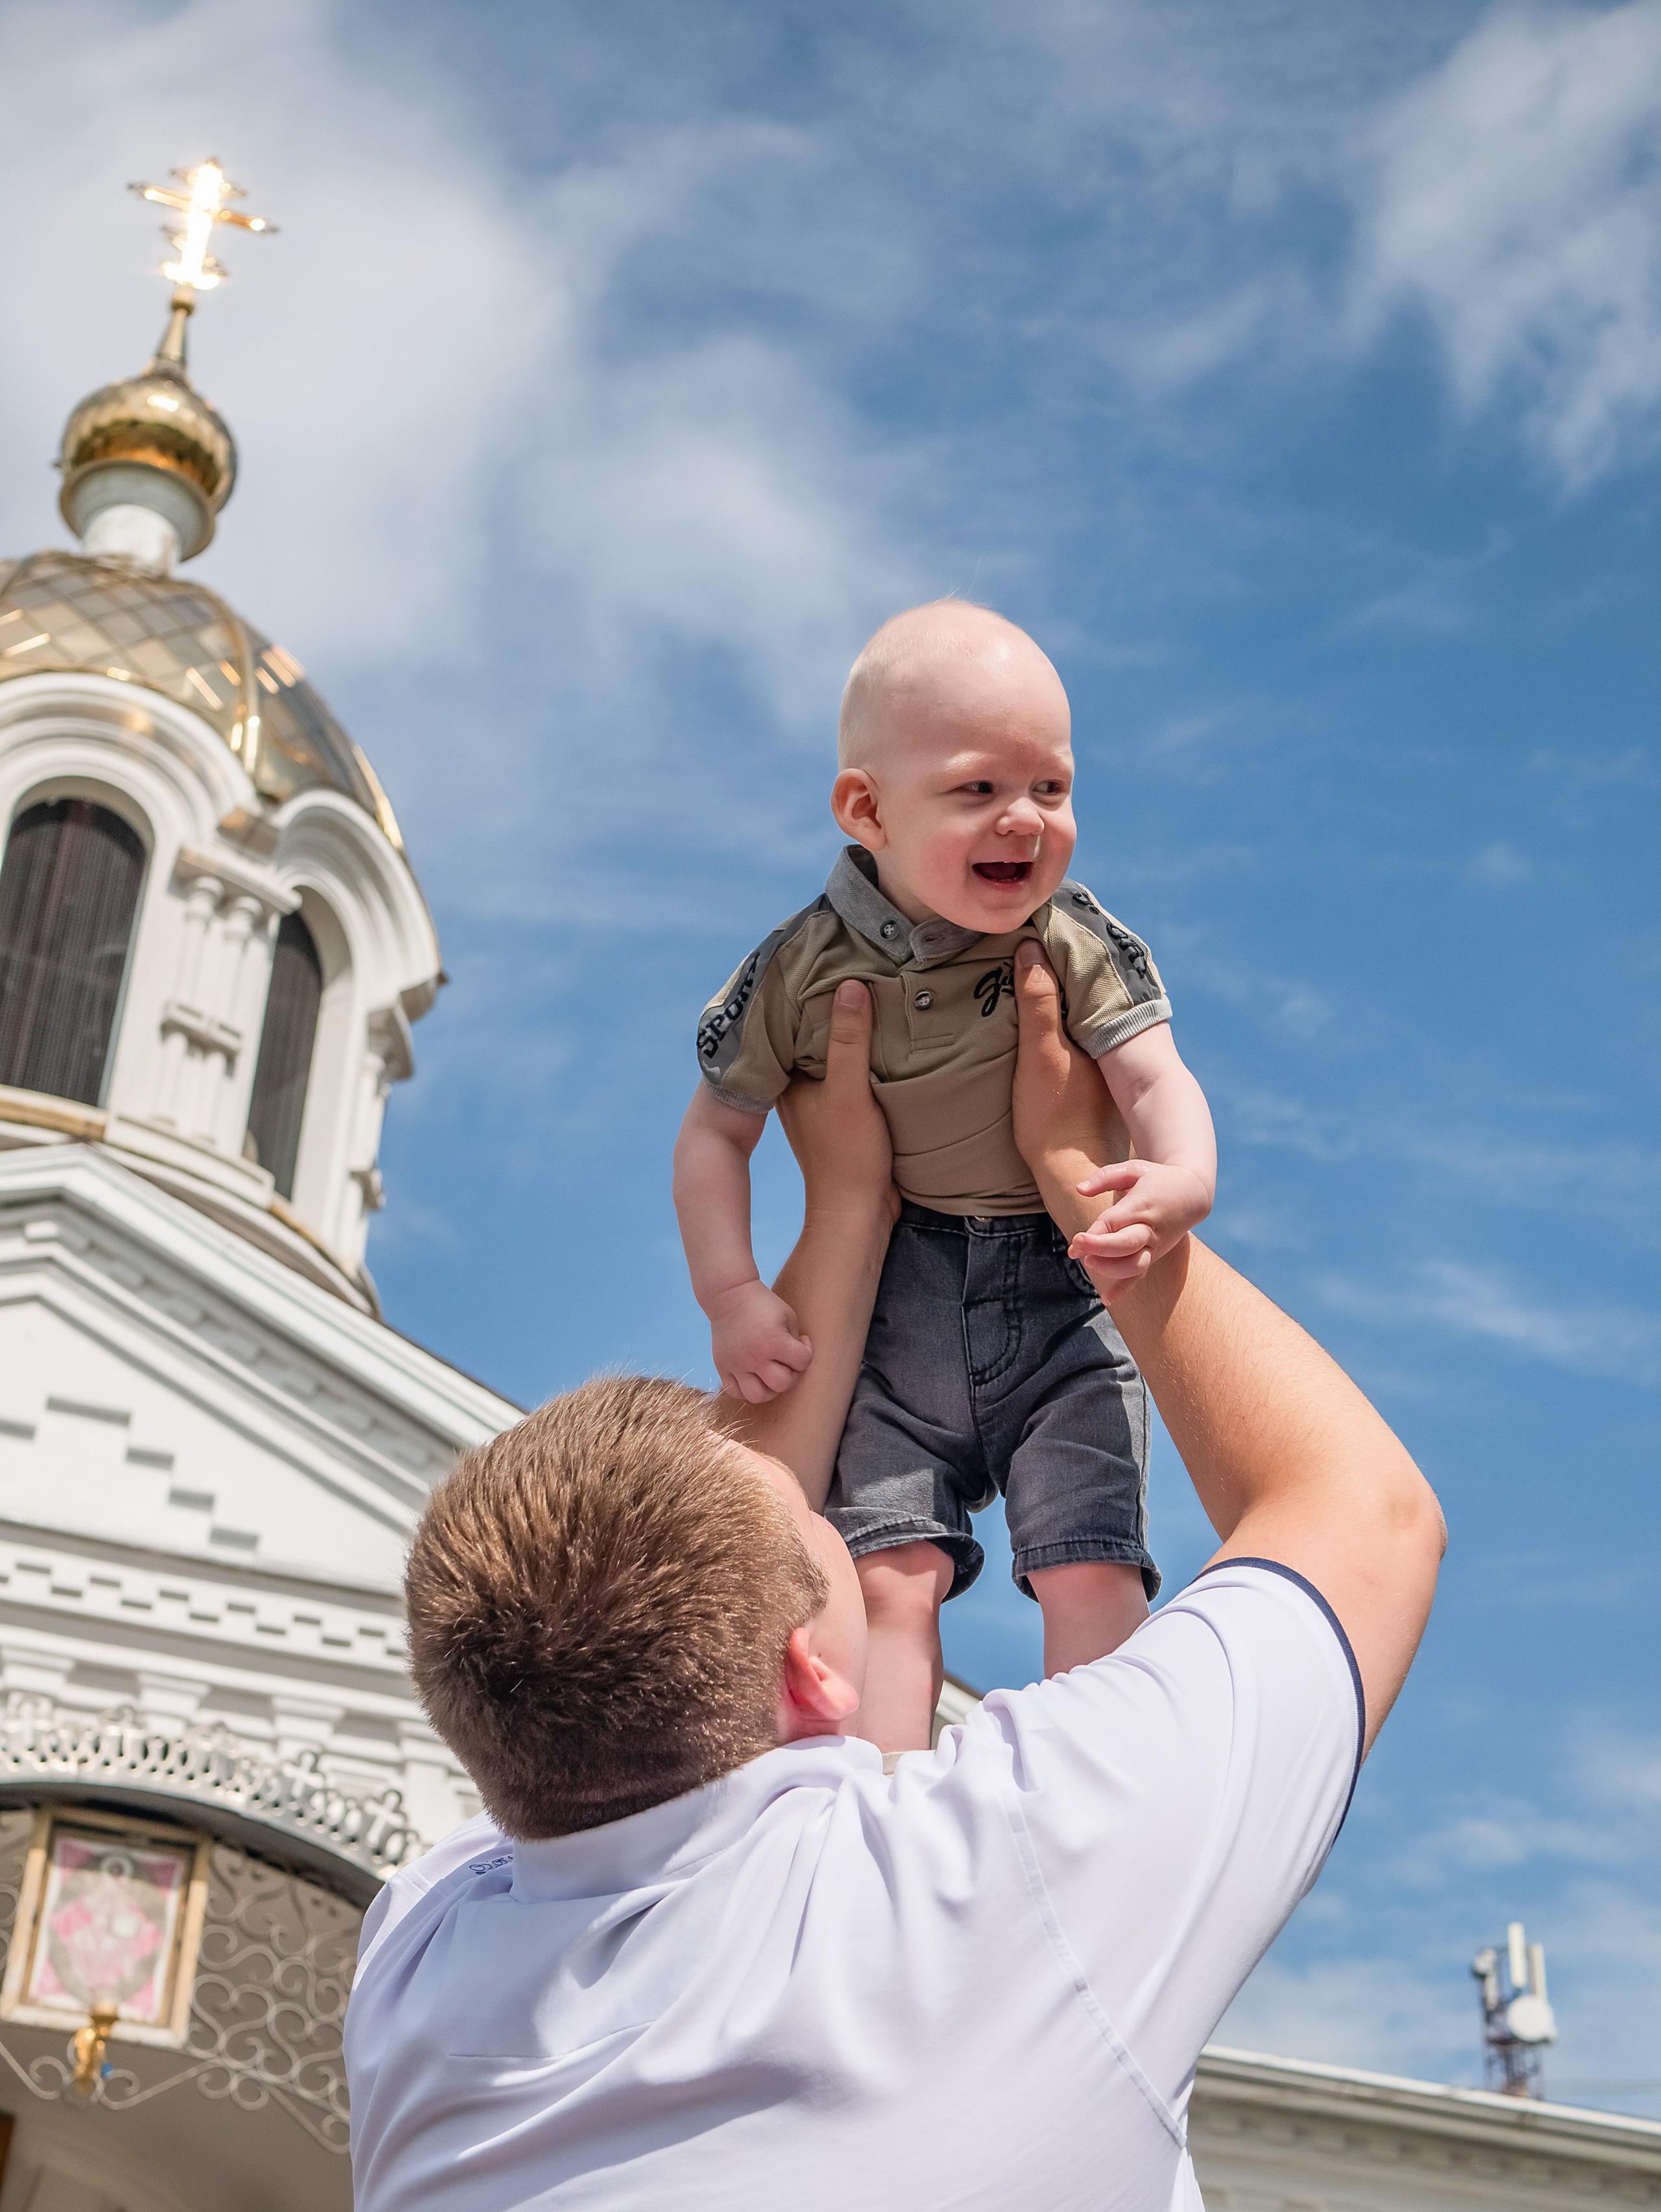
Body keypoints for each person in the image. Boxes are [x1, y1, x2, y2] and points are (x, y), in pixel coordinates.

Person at [345, 954, 1444, 2212]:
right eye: (819, 1525)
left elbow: (668, 1581)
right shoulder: (992, 1885)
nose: (819, 1483)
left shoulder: (425, 1974)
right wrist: (1081, 1179)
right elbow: (1368, 1511)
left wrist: (852, 1204)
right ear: (805, 1670)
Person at [673, 602, 1217, 1748]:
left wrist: (1180, 1179)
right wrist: (731, 1292)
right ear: (866, 809)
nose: (1025, 820)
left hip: (1064, 1287)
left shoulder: (1070, 938)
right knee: (886, 1576)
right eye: (978, 790)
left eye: (1053, 789)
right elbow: (714, 1137)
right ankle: (884, 1802)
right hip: (896, 1304)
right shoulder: (798, 966)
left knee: (1092, 1560)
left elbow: (1156, 1075)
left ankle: (1090, 1788)